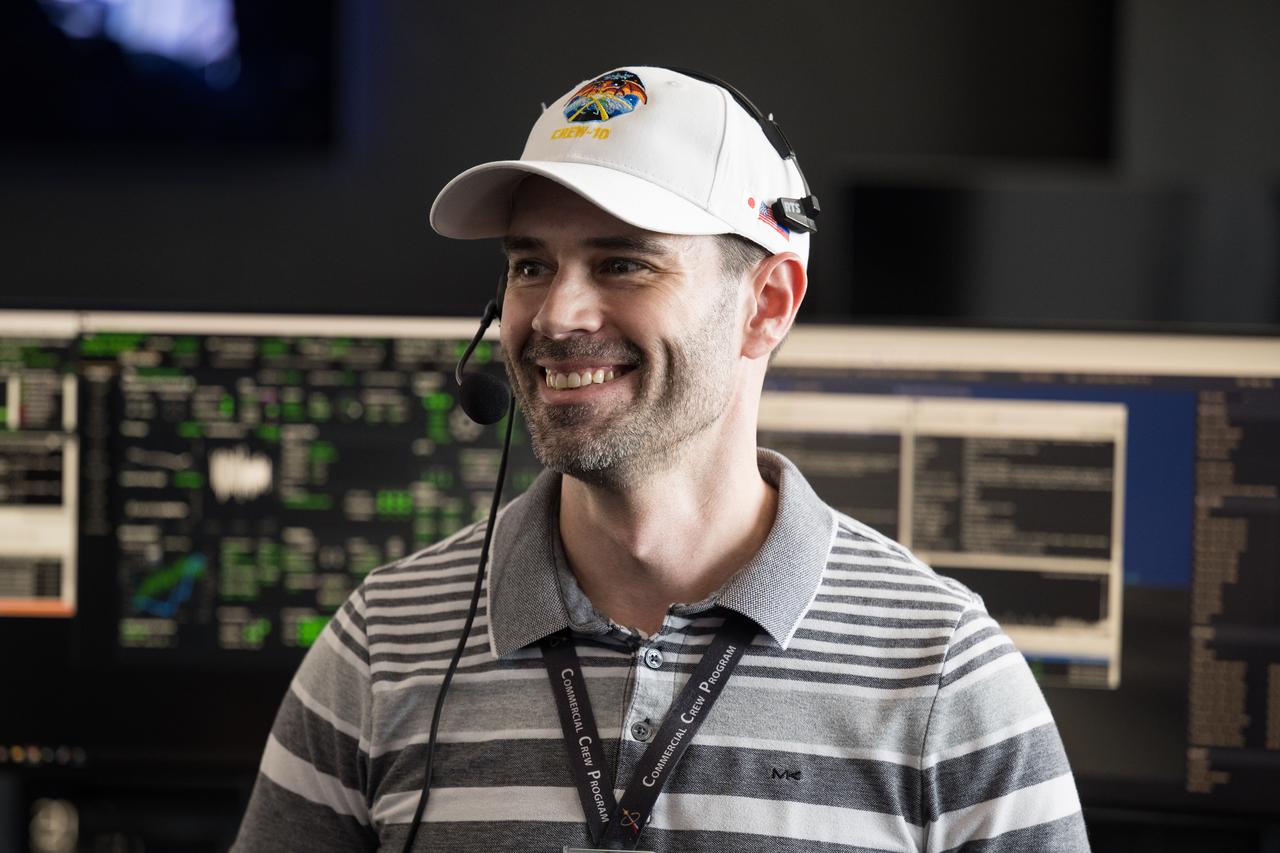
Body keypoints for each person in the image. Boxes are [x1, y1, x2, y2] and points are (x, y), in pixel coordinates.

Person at [233, 66, 1091, 852]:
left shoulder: (946, 672)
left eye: (623, 263)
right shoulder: (383, 641)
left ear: (768, 304)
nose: (556, 314)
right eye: (531, 263)